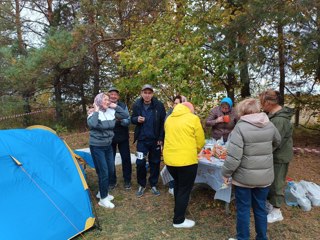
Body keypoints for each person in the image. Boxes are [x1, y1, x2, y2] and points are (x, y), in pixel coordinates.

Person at [222, 98, 281, 240]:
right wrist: (264, 154)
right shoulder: (269, 124)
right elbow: (277, 141)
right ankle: (262, 237)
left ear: (242, 111)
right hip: (264, 178)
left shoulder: (240, 128)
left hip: (244, 178)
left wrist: (226, 173)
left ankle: (243, 238)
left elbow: (234, 157)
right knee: (260, 209)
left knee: (243, 210)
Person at [164, 102, 205, 228]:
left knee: (178, 185)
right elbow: (200, 141)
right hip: (187, 161)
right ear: (189, 109)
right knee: (184, 189)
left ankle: (179, 210)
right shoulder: (193, 118)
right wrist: (196, 150)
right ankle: (178, 220)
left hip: (170, 160)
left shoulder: (169, 118)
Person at [87, 92, 129, 209]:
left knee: (110, 170)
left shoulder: (111, 112)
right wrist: (95, 111)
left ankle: (102, 191)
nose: (108, 101)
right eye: (105, 100)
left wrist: (115, 106)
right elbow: (92, 124)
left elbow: (125, 115)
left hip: (108, 146)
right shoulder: (93, 114)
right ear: (99, 101)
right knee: (103, 172)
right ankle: (103, 199)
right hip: (97, 147)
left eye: (108, 100)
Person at [259, 89, 294, 223]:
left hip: (279, 156)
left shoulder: (279, 119)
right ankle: (270, 204)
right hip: (274, 155)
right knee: (271, 180)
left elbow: (274, 140)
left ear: (269, 102)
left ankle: (276, 211)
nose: (261, 104)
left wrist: (261, 151)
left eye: (262, 101)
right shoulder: (273, 115)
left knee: (277, 182)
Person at [131, 84, 166, 197]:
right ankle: (141, 184)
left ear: (152, 94)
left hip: (155, 140)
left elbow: (162, 123)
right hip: (142, 140)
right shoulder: (137, 105)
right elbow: (132, 118)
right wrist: (137, 119)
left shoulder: (159, 105)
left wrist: (161, 138)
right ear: (141, 93)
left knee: (155, 162)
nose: (147, 95)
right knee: (140, 163)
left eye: (149, 93)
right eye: (145, 93)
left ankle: (153, 184)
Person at [107, 87, 132, 190]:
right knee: (110, 160)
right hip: (109, 137)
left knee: (126, 159)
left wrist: (119, 120)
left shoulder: (122, 106)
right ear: (109, 95)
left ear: (118, 96)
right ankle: (112, 181)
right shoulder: (105, 105)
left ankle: (127, 180)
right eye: (111, 94)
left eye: (115, 94)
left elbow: (127, 121)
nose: (113, 96)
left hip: (123, 137)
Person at [165, 95, 187, 195]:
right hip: (171, 144)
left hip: (183, 144)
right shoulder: (170, 113)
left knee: (182, 167)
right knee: (171, 165)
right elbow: (166, 127)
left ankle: (180, 185)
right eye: (175, 103)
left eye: (179, 103)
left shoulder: (188, 113)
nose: (176, 105)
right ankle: (171, 185)